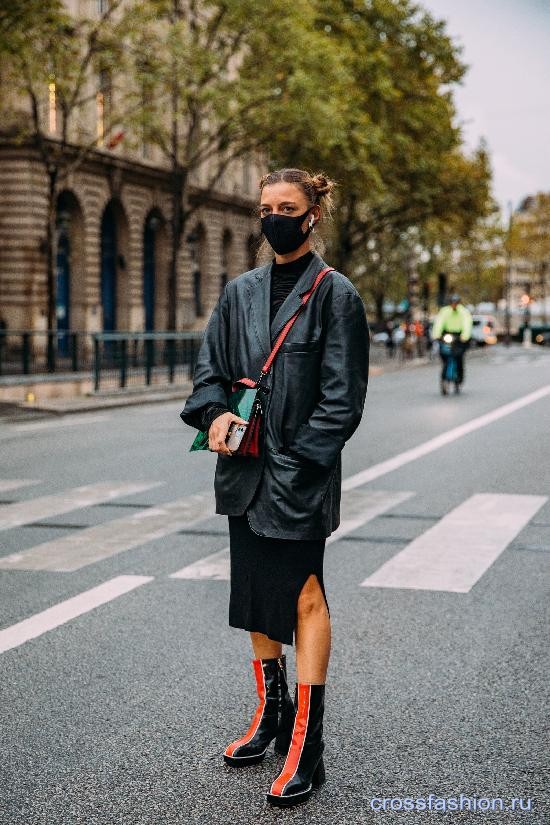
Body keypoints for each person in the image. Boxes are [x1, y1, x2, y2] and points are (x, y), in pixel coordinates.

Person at [180, 168, 370, 808]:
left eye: (286, 208)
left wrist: (300, 462)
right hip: (242, 466)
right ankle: (272, 717)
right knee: (256, 597)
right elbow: (208, 374)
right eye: (265, 208)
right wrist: (215, 417)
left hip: (298, 475)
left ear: (312, 215)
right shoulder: (238, 293)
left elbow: (343, 400)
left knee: (303, 595)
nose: (273, 218)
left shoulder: (334, 294)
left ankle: (308, 745)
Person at [432, 293, 473, 387]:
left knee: (459, 357)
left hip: (459, 337)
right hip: (447, 335)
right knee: (444, 355)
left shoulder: (464, 312)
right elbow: (439, 322)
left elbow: (467, 324)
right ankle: (444, 378)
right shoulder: (444, 311)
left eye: (456, 303)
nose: (454, 305)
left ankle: (459, 377)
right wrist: (436, 334)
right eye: (452, 302)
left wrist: (465, 336)